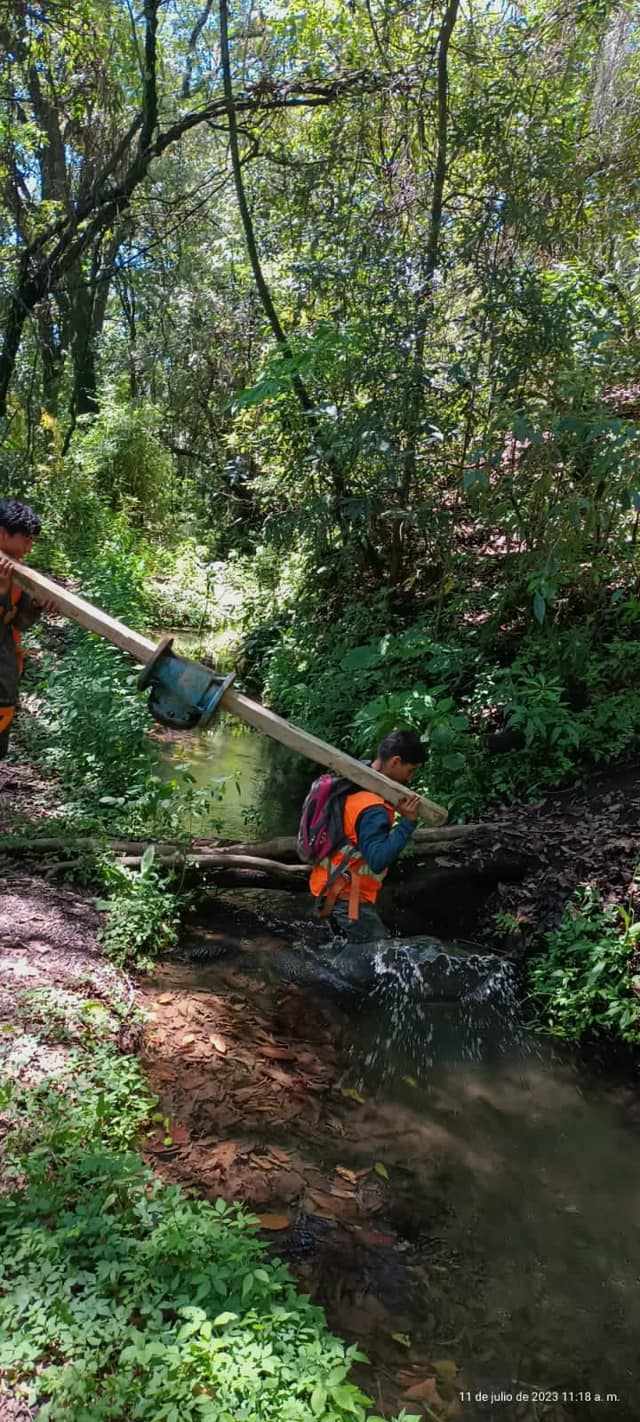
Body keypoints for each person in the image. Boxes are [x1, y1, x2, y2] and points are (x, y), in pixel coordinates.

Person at [308, 728, 425, 942]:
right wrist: (407, 823)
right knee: (377, 959)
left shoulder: (356, 778)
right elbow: (377, 860)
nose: (411, 777)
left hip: (328, 888)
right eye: (411, 770)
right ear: (395, 761)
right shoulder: (372, 809)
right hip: (346, 900)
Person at [0, 498, 57, 760]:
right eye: (26, 539)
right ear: (3, 533)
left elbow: (18, 623)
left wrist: (35, 605)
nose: (29, 548)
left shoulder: (18, 573)